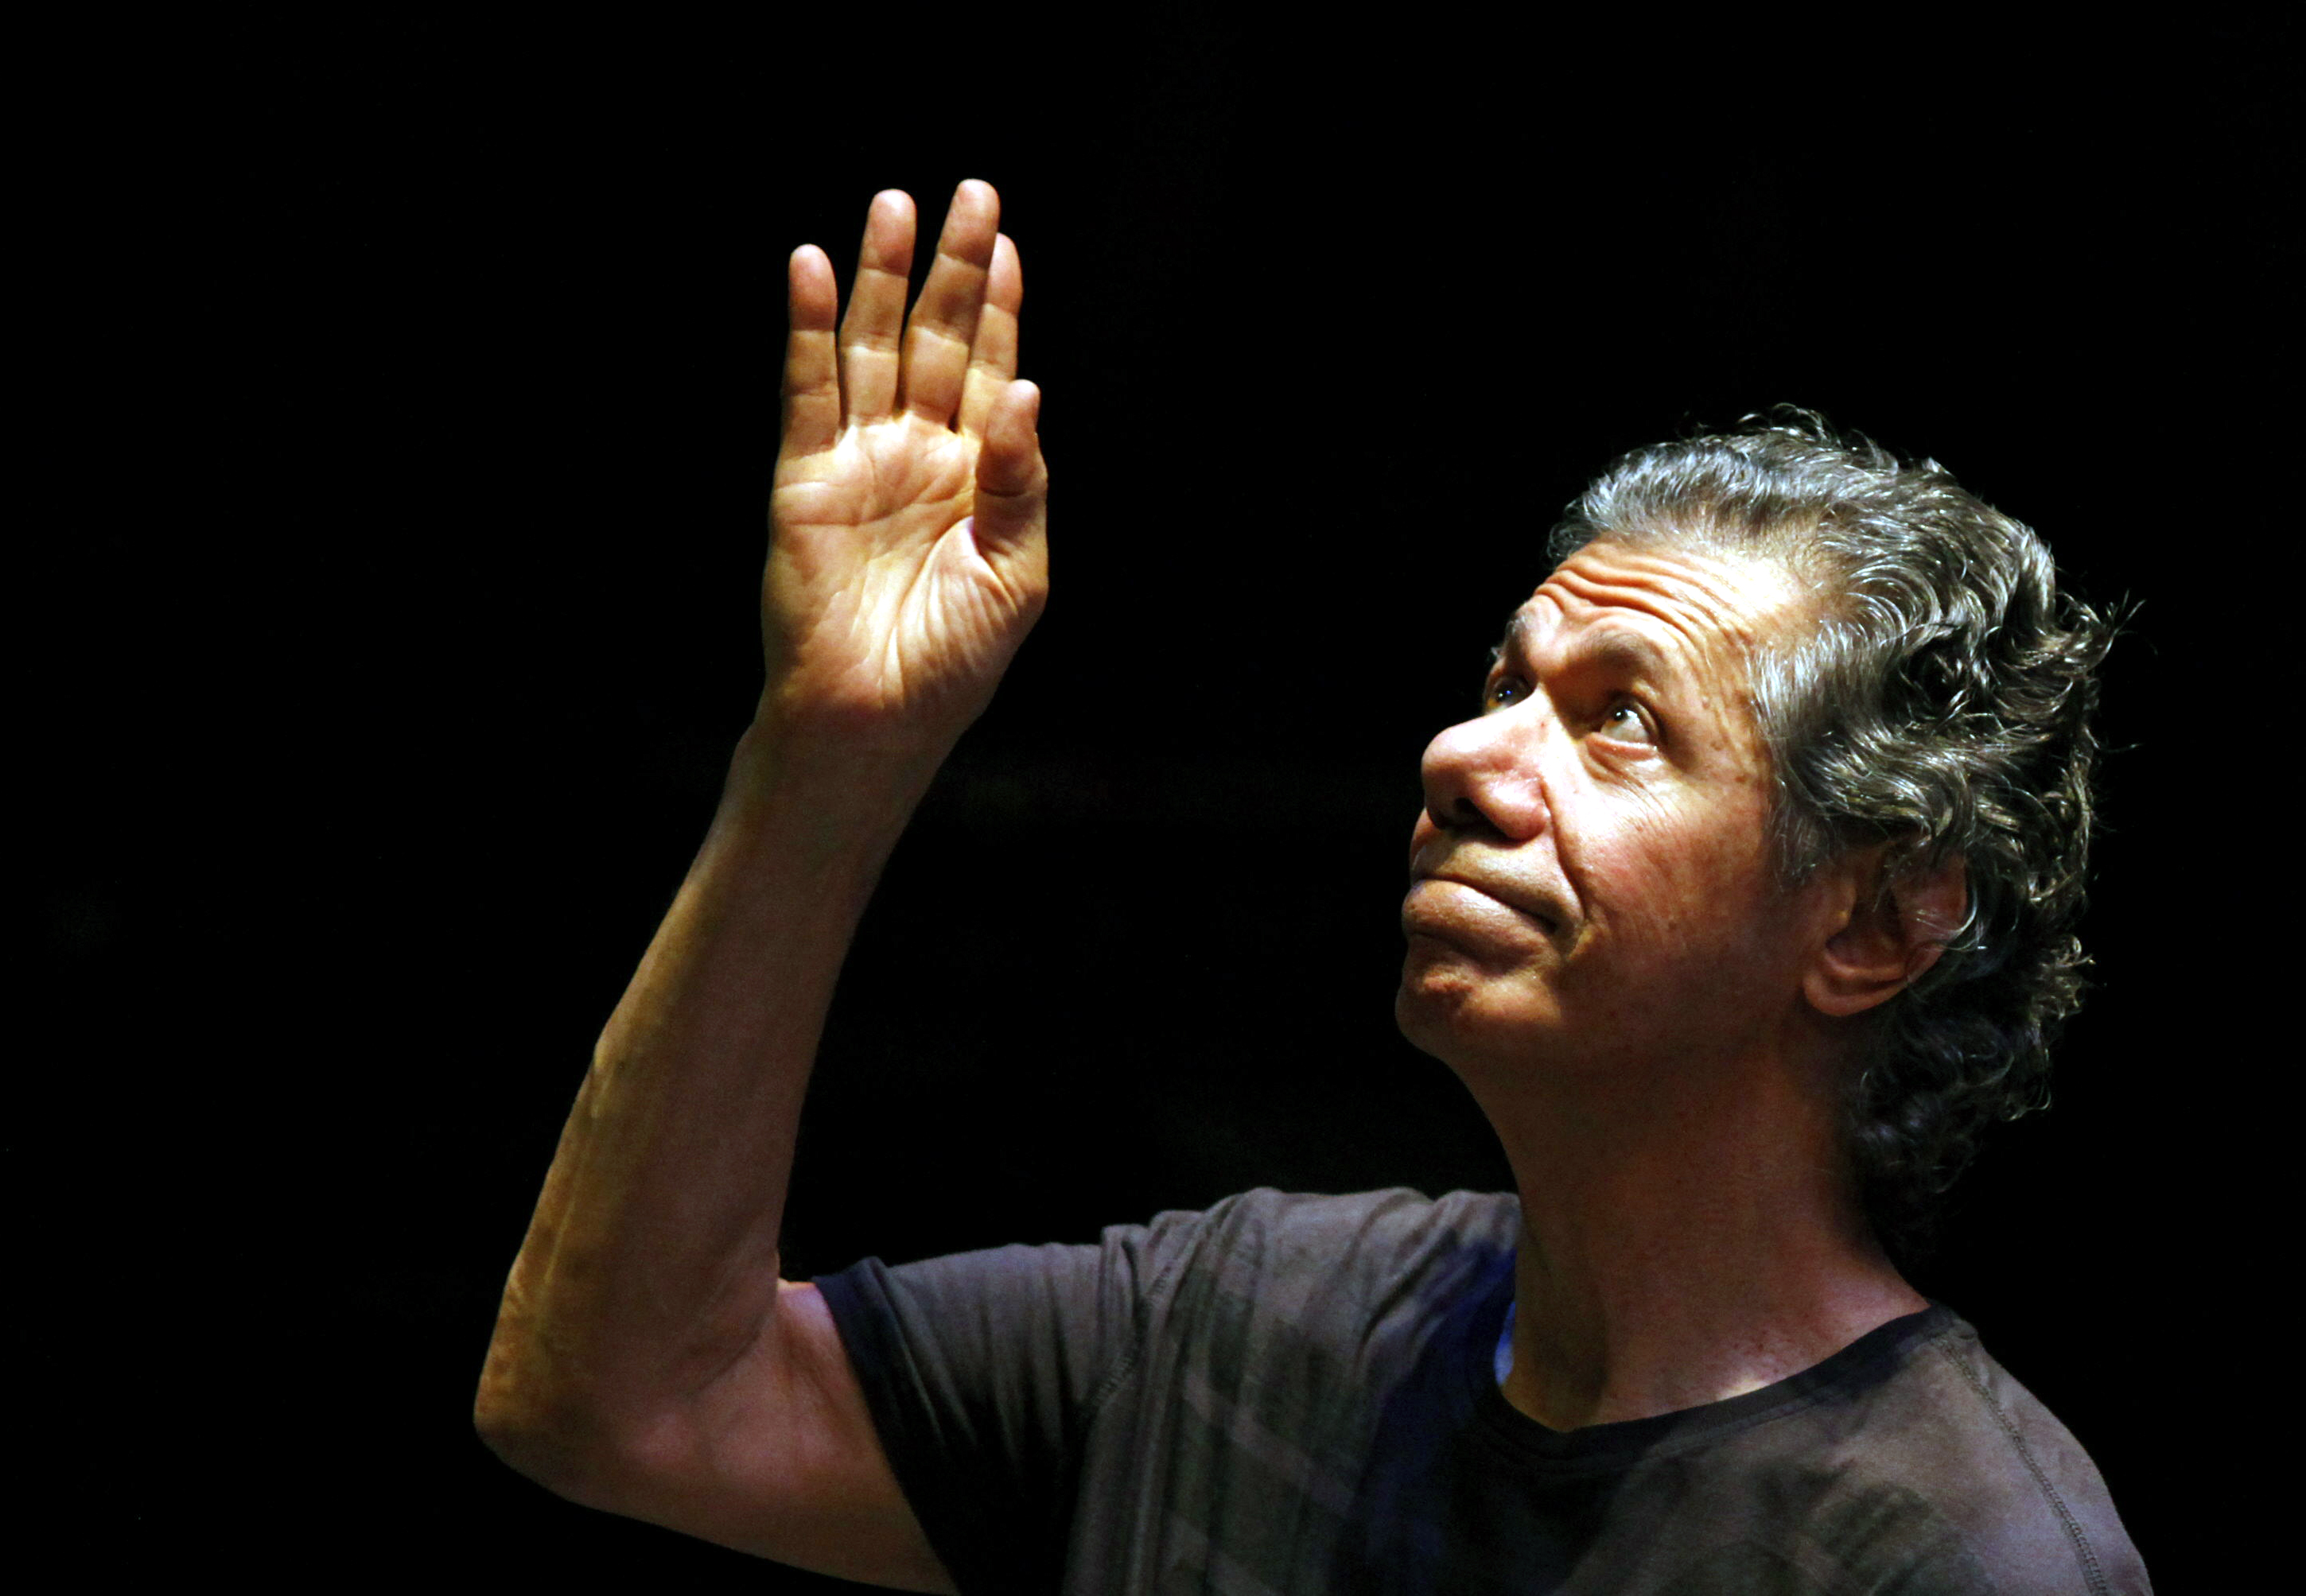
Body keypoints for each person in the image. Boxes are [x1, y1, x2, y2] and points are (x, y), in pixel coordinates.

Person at [474, 179, 2149, 1594]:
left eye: (1618, 719)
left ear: (1869, 920)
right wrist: (828, 751)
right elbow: (619, 1396)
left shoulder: (1952, 1547)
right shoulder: (1246, 1318)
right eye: (1503, 682)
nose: (1463, 755)